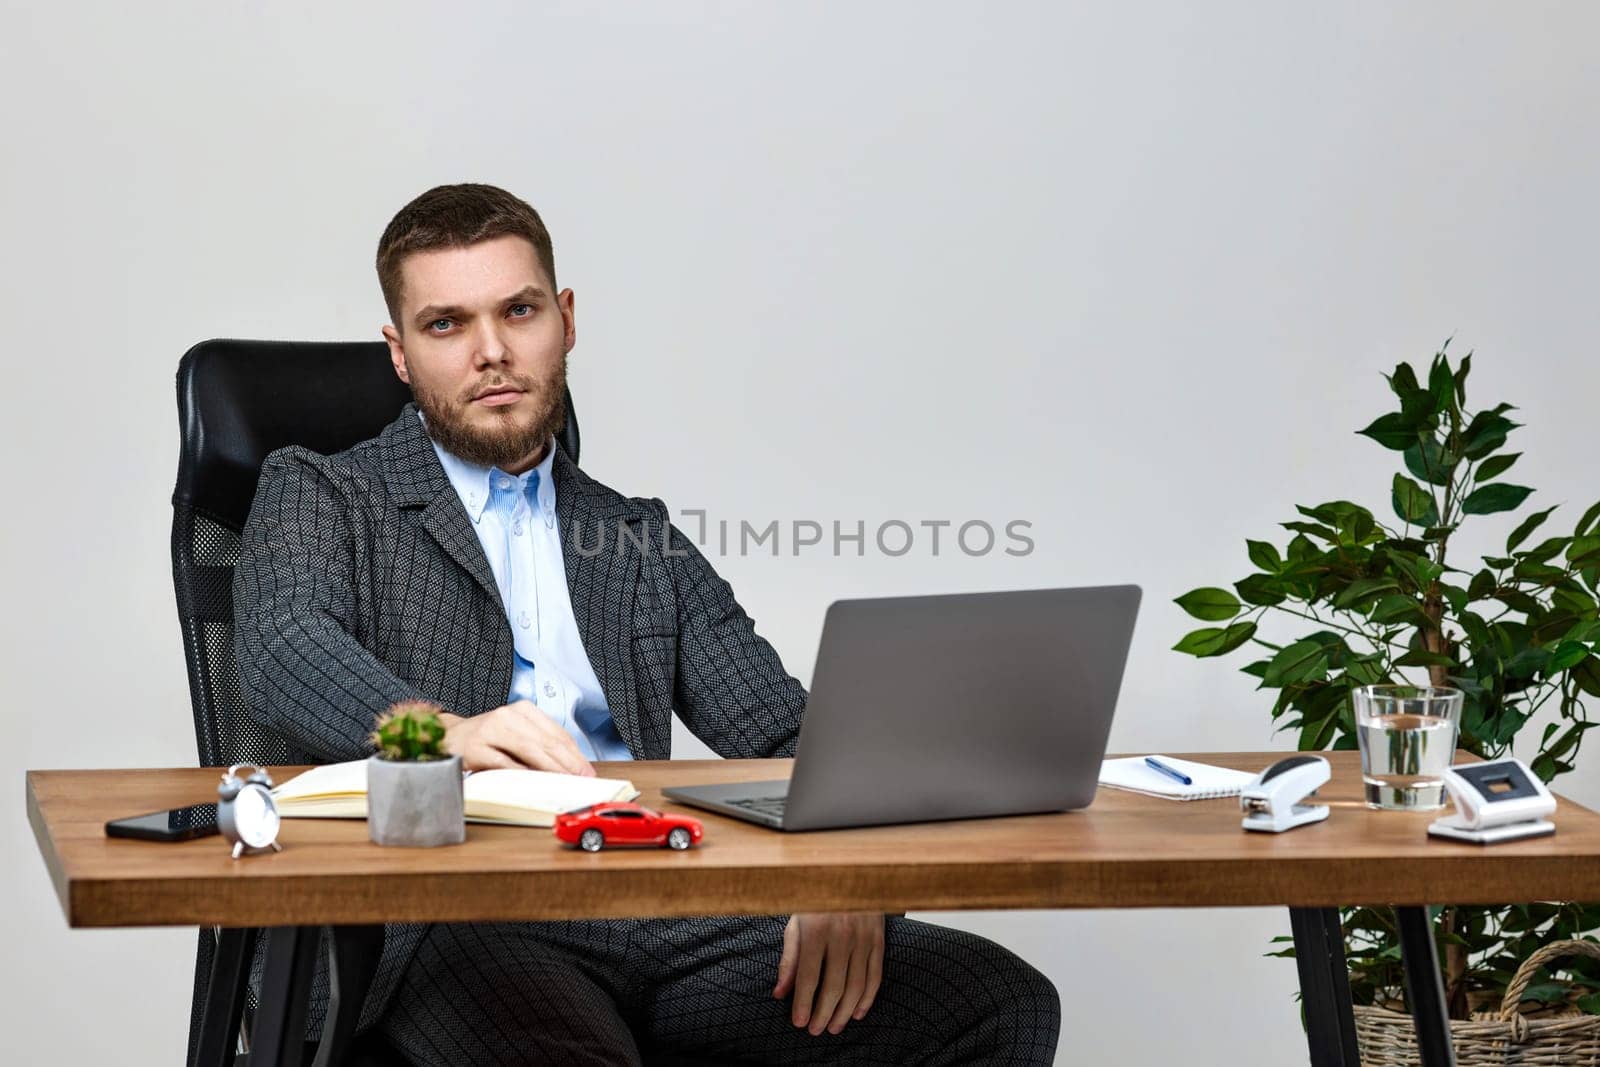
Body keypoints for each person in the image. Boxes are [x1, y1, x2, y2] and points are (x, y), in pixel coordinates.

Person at [233, 182, 1060, 1065]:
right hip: (455, 919)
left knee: (997, 1003)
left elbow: (785, 728)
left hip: (663, 904)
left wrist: (850, 871)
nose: (491, 351)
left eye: (519, 310)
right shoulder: (321, 492)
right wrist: (446, 732)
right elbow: (285, 645)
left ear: (567, 319)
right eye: (446, 325)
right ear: (399, 353)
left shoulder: (635, 535)